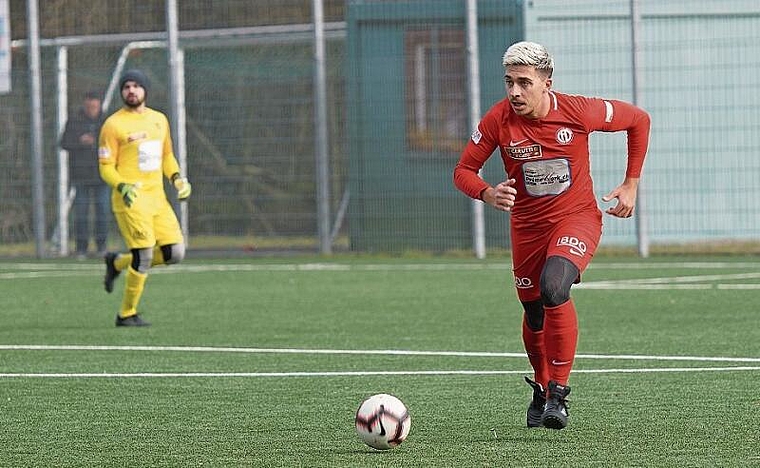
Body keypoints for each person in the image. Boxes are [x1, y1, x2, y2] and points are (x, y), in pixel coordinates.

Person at [453, 41, 650, 429]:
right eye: (509, 82)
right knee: (534, 311)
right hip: (526, 228)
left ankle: (559, 394)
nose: (514, 92)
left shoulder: (578, 111)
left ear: (547, 83)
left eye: (524, 83)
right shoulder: (498, 119)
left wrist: (631, 183)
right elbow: (462, 171)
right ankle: (541, 389)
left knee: (554, 287)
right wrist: (488, 192)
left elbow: (638, 120)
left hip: (576, 219)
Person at [98, 69, 192, 327]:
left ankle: (117, 263)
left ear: (145, 90)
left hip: (157, 199)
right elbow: (105, 166)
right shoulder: (113, 125)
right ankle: (126, 314)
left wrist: (177, 179)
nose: (131, 90)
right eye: (126, 86)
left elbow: (166, 156)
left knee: (175, 253)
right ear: (121, 92)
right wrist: (122, 186)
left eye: (136, 86)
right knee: (145, 255)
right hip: (131, 199)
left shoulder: (159, 120)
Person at [60, 91, 109, 259]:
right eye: (88, 107)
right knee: (81, 212)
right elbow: (64, 143)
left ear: (100, 105)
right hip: (80, 175)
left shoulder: (107, 122)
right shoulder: (74, 122)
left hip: (102, 175)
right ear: (84, 105)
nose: (91, 110)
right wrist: (80, 142)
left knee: (102, 210)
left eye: (94, 107)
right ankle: (81, 248)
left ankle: (102, 246)